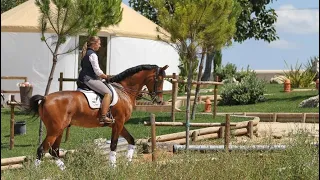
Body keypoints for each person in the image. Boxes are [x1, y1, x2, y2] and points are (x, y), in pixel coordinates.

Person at [78, 36, 113, 124]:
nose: (100, 46)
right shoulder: (92, 54)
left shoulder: (85, 53)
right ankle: (103, 116)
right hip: (89, 79)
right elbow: (97, 71)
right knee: (108, 93)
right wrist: (106, 77)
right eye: (99, 43)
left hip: (82, 78)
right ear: (94, 44)